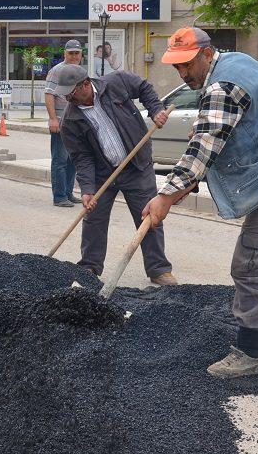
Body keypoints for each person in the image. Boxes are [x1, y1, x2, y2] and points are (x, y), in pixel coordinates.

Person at [143, 27, 258, 380]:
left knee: (252, 262)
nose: (182, 73)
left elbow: (204, 145)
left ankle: (250, 352)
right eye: (176, 67)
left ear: (207, 54)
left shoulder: (223, 87)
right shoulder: (236, 61)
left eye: (187, 65)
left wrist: (166, 196)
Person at [53, 64, 176, 286]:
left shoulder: (115, 83)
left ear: (85, 84)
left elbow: (144, 88)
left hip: (137, 165)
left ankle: (158, 269)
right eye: (64, 95)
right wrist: (88, 190)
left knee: (149, 216)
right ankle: (90, 267)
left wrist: (156, 109)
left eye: (70, 93)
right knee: (94, 219)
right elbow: (82, 158)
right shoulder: (70, 121)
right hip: (102, 173)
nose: (67, 99)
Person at [44, 40, 85, 208]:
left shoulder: (81, 72)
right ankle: (59, 196)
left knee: (72, 160)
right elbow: (49, 94)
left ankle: (68, 192)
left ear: (81, 54)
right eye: (71, 53)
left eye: (77, 53)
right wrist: (53, 119)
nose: (74, 56)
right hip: (61, 122)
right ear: (65, 54)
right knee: (60, 160)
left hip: (76, 122)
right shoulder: (57, 71)